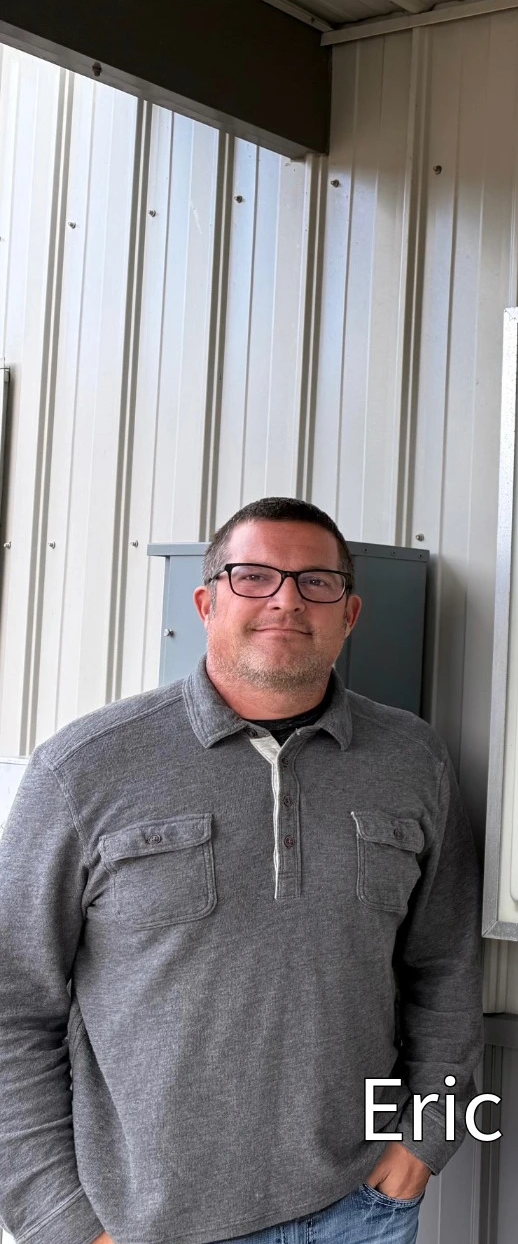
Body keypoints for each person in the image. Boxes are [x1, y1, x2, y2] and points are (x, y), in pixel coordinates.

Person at [0, 498, 482, 1244]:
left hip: (362, 1208)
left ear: (349, 613)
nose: (287, 598)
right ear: (206, 601)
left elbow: (445, 965)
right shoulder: (85, 770)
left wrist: (429, 1135)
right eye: (253, 576)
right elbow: (12, 1006)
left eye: (316, 582)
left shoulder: (411, 763)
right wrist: (59, 1222)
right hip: (146, 1227)